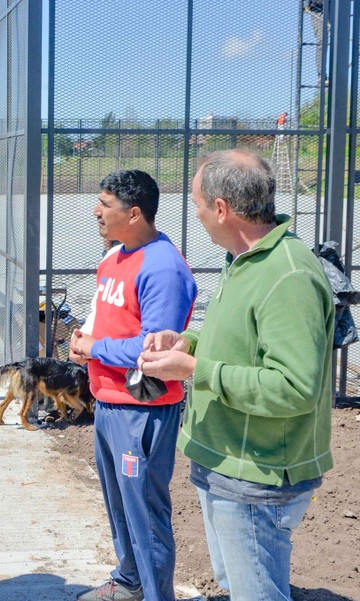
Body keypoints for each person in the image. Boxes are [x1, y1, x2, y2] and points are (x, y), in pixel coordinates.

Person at [140, 150, 334, 601]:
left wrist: (195, 370)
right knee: (238, 589)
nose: (198, 215)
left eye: (199, 205)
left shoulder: (287, 276)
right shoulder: (244, 259)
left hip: (257, 476)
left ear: (222, 209)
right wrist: (188, 340)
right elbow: (239, 340)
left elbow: (294, 388)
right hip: (227, 466)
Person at [69, 170, 197, 601]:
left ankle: (156, 594)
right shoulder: (115, 256)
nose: (96, 211)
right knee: (121, 506)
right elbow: (101, 316)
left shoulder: (162, 268)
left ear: (135, 212)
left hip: (141, 411)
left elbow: (158, 355)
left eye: (105, 204)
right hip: (109, 403)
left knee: (145, 511)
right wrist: (84, 342)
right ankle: (129, 581)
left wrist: (96, 347)